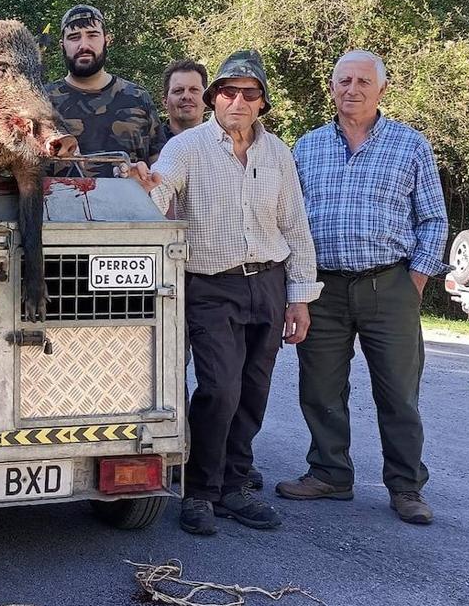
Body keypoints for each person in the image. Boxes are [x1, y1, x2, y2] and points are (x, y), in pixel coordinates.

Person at [123, 49, 321, 536]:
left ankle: (235, 487)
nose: (237, 101)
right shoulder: (188, 147)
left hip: (269, 284)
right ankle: (200, 491)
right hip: (211, 284)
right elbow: (160, 192)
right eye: (228, 92)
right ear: (215, 100)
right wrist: (144, 187)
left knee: (254, 390)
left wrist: (299, 296)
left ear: (261, 103)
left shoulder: (278, 153)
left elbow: (295, 226)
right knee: (219, 388)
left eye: (248, 93)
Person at [276, 50, 448, 526]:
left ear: (381, 90)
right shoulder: (306, 148)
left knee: (398, 392)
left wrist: (413, 282)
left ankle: (406, 485)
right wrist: (297, 289)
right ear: (331, 88)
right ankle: (330, 473)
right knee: (320, 388)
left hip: (389, 283)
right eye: (344, 80)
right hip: (323, 288)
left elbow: (433, 219)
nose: (352, 89)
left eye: (363, 82)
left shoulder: (410, 145)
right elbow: (289, 221)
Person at [45, 5, 166, 178]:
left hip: (128, 203)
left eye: (92, 35)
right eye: (74, 37)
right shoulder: (41, 101)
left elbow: (159, 166)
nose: (83, 45)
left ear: (106, 40)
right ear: (62, 45)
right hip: (60, 203)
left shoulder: (138, 98)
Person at [160, 58, 208, 144]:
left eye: (194, 90)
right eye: (178, 90)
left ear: (207, 98)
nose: (186, 96)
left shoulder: (223, 142)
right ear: (165, 101)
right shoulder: (148, 145)